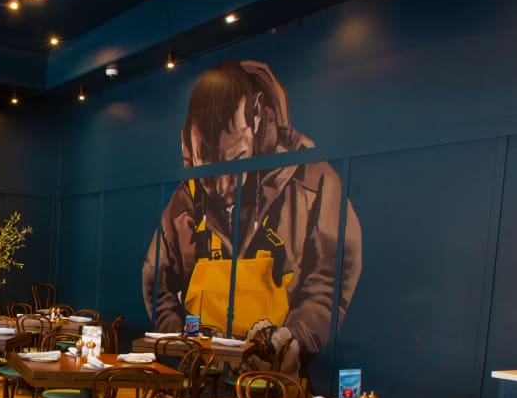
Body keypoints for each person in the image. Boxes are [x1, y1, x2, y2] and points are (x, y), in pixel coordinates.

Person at [142, 61, 361, 374]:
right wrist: (183, 344)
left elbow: (331, 278)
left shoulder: (314, 184)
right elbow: (158, 283)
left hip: (275, 387)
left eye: (234, 162)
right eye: (208, 168)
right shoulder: (185, 199)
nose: (221, 187)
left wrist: (293, 341)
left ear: (257, 115)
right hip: (200, 378)